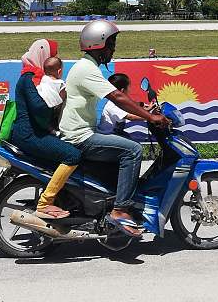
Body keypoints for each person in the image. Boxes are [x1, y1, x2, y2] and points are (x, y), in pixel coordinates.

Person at [59, 21, 170, 237]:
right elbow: (117, 96)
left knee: (123, 149)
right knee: (133, 150)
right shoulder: (86, 69)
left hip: (83, 132)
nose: (113, 49)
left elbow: (118, 97)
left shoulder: (87, 67)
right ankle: (120, 210)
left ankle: (110, 200)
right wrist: (150, 117)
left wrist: (143, 108)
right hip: (80, 137)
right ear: (98, 45)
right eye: (111, 44)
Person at [9, 39, 81, 219]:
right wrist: (60, 97)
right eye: (52, 55)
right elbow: (39, 108)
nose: (55, 58)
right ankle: (45, 204)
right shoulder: (28, 79)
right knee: (72, 155)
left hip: (36, 132)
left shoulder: (40, 78)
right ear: (43, 56)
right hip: (29, 135)